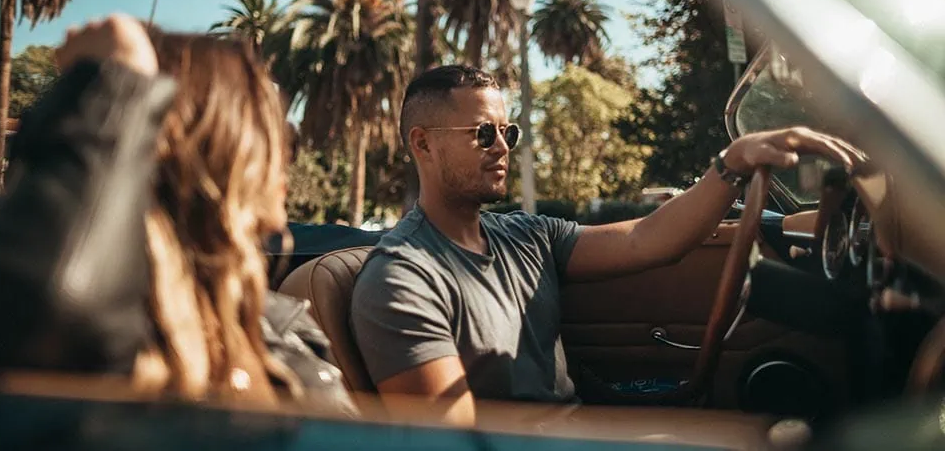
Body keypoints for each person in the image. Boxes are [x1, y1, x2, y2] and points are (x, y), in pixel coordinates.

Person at [350, 64, 865, 426]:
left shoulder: (526, 235)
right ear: (422, 143)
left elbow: (648, 238)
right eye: (484, 134)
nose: (504, 146)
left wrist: (732, 162)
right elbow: (449, 438)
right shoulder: (401, 278)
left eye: (508, 131)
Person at [0, 14, 354, 414]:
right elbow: (47, 309)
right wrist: (118, 85)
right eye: (273, 147)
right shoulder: (64, 314)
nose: (283, 174)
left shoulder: (281, 335)